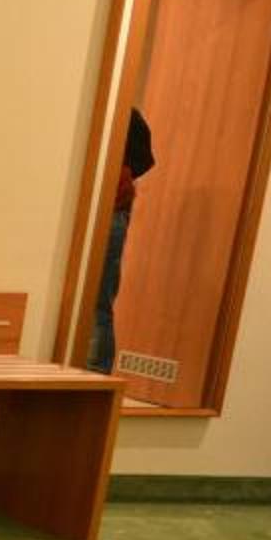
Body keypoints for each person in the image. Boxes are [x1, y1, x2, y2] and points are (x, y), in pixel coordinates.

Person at [90, 106, 155, 374]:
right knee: (97, 303)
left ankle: (96, 379)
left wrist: (120, 173)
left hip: (112, 210)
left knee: (97, 303)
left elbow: (145, 158)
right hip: (105, 210)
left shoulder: (124, 114)